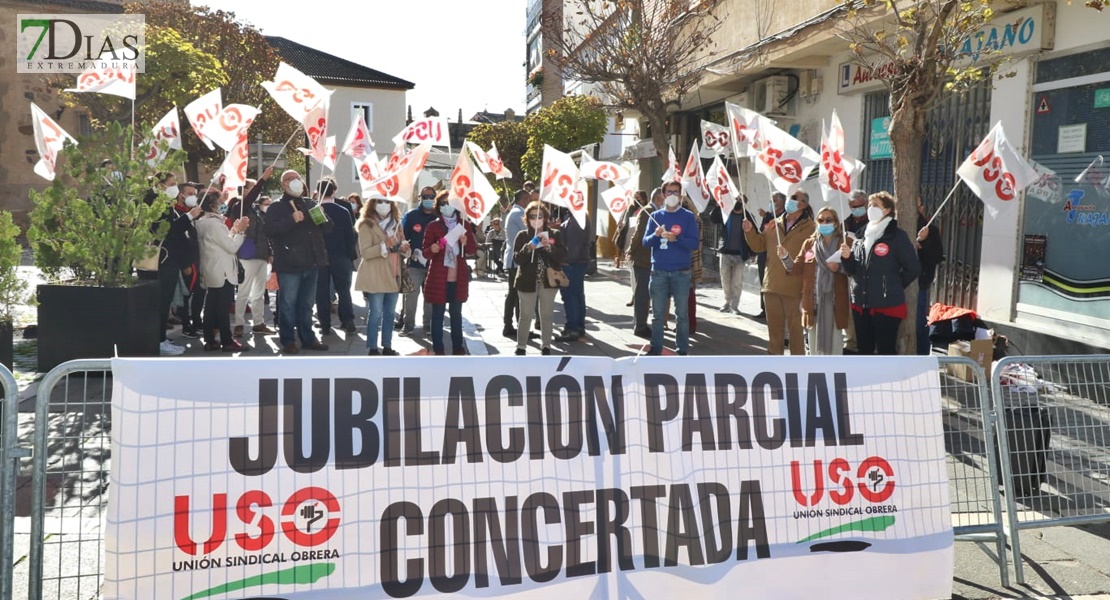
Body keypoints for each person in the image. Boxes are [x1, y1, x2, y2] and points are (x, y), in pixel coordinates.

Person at [839, 191, 922, 355]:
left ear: (887, 210)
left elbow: (913, 268)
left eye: (875, 205)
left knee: (885, 350)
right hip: (861, 304)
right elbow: (852, 270)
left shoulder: (896, 236)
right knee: (864, 350)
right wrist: (846, 258)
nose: (870, 208)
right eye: (869, 205)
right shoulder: (861, 235)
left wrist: (892, 285)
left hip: (886, 306)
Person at [264, 170, 332, 354]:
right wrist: (290, 220)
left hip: (312, 261)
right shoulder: (277, 207)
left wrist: (321, 216)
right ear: (283, 185)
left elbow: (327, 228)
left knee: (307, 304)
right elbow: (269, 230)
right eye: (290, 179)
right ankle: (287, 340)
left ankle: (308, 337)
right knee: (288, 304)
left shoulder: (310, 203)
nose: (296, 182)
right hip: (289, 264)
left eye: (297, 178)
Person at [744, 189, 816, 355]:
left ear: (804, 204)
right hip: (772, 285)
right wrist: (749, 231)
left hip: (795, 287)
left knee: (796, 333)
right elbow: (758, 245)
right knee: (774, 333)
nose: (789, 200)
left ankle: (797, 368)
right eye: (790, 197)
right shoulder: (773, 224)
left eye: (794, 198)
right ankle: (774, 365)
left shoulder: (812, 228)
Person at [643, 181, 699, 355]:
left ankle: (682, 350)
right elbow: (645, 242)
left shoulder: (688, 217)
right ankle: (656, 347)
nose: (673, 195)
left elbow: (694, 243)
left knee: (682, 315)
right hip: (658, 271)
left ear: (681, 195)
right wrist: (656, 234)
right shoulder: (656, 216)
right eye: (669, 192)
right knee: (658, 315)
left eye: (676, 192)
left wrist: (678, 239)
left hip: (681, 273)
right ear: (663, 194)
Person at [788, 207, 850, 355]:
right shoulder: (809, 244)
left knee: (835, 346)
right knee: (814, 345)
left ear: (836, 223)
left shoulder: (845, 242)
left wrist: (840, 268)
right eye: (821, 220)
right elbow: (796, 269)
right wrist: (785, 257)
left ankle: (833, 374)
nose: (824, 223)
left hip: (835, 302)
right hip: (813, 301)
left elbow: (856, 269)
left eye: (829, 220)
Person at [422, 192, 478, 355]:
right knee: (437, 315)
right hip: (439, 278)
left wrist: (466, 243)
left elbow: (472, 250)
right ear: (438, 207)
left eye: (449, 203)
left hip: (457, 278)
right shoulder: (434, 226)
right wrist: (432, 249)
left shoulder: (463, 225)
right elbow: (426, 252)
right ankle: (438, 349)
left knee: (456, 316)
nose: (446, 207)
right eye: (442, 204)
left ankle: (458, 348)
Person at [195, 192, 250, 353]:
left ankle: (210, 339)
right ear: (212, 205)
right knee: (222, 308)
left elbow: (222, 243)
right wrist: (240, 231)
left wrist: (233, 231)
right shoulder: (214, 224)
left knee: (211, 306)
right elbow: (231, 247)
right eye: (221, 201)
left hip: (212, 269)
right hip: (222, 270)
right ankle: (226, 340)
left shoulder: (202, 222)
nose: (223, 203)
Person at [355, 197, 409, 356]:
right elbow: (365, 252)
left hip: (394, 273)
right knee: (376, 312)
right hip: (376, 275)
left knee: (390, 313)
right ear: (372, 204)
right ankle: (372, 347)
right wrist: (385, 245)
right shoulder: (366, 224)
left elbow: (403, 246)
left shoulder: (397, 223)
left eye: (387, 201)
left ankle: (387, 346)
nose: (383, 205)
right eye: (379, 201)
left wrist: (406, 248)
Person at [512, 201, 567, 355]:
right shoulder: (523, 235)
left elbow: (562, 255)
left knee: (547, 314)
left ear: (545, 217)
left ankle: (546, 345)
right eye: (532, 216)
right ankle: (521, 346)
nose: (536, 219)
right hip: (527, 281)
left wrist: (551, 248)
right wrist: (528, 247)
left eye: (540, 216)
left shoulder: (554, 235)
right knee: (526, 314)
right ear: (527, 219)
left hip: (548, 281)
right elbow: (517, 259)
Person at [231, 168, 275, 337]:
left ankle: (258, 323)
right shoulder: (239, 207)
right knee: (243, 291)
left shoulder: (256, 210)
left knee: (259, 293)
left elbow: (264, 232)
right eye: (251, 187)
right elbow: (249, 198)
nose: (254, 191)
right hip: (247, 254)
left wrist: (270, 252)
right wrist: (262, 179)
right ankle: (239, 323)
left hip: (261, 254)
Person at [314, 178, 357, 335]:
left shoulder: (315, 210)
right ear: (334, 191)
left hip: (320, 257)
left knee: (322, 291)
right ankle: (348, 319)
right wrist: (347, 253)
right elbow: (350, 235)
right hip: (340, 255)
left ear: (318, 192)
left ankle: (325, 324)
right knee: (343, 289)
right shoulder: (344, 211)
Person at [399, 186, 439, 336]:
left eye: (431, 196)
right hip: (414, 264)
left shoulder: (438, 216)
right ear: (420, 198)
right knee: (410, 296)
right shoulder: (411, 216)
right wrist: (409, 253)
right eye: (425, 197)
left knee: (430, 297)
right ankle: (408, 325)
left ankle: (427, 325)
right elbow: (403, 238)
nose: (428, 199)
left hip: (433, 264)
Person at [710, 195, 756, 314]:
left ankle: (734, 306)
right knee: (725, 279)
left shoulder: (748, 217)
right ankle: (727, 302)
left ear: (745, 203)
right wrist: (718, 206)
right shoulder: (727, 213)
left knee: (736, 281)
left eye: (741, 201)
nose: (738, 202)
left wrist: (753, 253)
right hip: (725, 252)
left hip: (740, 254)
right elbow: (713, 218)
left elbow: (754, 234)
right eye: (736, 200)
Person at [557, 211, 595, 342]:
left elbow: (574, 245)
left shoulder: (577, 220)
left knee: (570, 295)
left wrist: (566, 261)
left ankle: (573, 327)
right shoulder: (578, 218)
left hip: (573, 263)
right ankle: (578, 326)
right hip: (578, 262)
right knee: (577, 295)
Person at [915, 196, 944, 355]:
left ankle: (921, 357)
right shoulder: (894, 226)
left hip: (920, 283)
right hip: (896, 285)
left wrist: (924, 243)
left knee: (919, 324)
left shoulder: (930, 230)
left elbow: (937, 257)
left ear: (922, 207)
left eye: (916, 204)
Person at [841, 189, 869, 354]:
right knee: (850, 310)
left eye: (859, 206)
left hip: (865, 272)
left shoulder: (872, 222)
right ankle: (850, 343)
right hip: (848, 270)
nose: (856, 209)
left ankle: (864, 343)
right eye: (852, 206)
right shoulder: (846, 223)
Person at [502, 189, 530, 338]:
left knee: (513, 295)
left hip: (513, 259)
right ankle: (519, 327)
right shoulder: (519, 213)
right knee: (518, 295)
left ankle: (510, 326)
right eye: (528, 200)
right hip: (517, 260)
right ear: (523, 199)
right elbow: (530, 233)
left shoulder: (514, 212)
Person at [754, 192, 786, 319]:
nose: (772, 203)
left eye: (774, 201)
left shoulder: (786, 216)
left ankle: (778, 308)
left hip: (778, 254)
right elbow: (763, 231)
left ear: (782, 202)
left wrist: (768, 216)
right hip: (764, 252)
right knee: (764, 280)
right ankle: (764, 308)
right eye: (770, 201)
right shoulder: (768, 216)